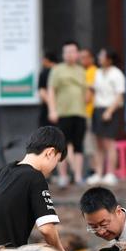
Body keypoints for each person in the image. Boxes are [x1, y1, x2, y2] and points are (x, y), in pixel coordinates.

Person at [0, 125, 68, 251]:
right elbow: (46, 229)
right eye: (57, 161)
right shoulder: (35, 177)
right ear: (50, 153)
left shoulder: (8, 170)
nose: (54, 168)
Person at [47, 40, 87, 187]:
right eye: (67, 52)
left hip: (80, 113)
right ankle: (63, 176)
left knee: (78, 146)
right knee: (61, 146)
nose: (70, 54)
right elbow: (51, 91)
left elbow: (86, 92)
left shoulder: (81, 71)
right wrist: (52, 109)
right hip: (63, 113)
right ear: (63, 54)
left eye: (72, 51)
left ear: (77, 54)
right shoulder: (57, 70)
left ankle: (77, 176)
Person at [87, 49, 126, 185]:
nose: (99, 57)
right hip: (97, 109)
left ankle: (110, 173)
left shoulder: (117, 74)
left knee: (109, 143)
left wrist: (109, 111)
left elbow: (119, 95)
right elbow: (93, 90)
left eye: (102, 55)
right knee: (98, 143)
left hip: (111, 109)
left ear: (109, 59)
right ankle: (98, 173)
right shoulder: (97, 72)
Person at [80, 48, 98, 175]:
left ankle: (94, 170)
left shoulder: (93, 72)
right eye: (81, 57)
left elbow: (88, 95)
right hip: (84, 113)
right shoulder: (83, 71)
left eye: (85, 57)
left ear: (92, 58)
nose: (82, 60)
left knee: (91, 143)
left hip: (90, 112)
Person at [38, 51, 59, 127]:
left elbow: (42, 93)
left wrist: (51, 105)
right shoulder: (61, 72)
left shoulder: (44, 73)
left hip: (47, 111)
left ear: (47, 60)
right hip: (63, 110)